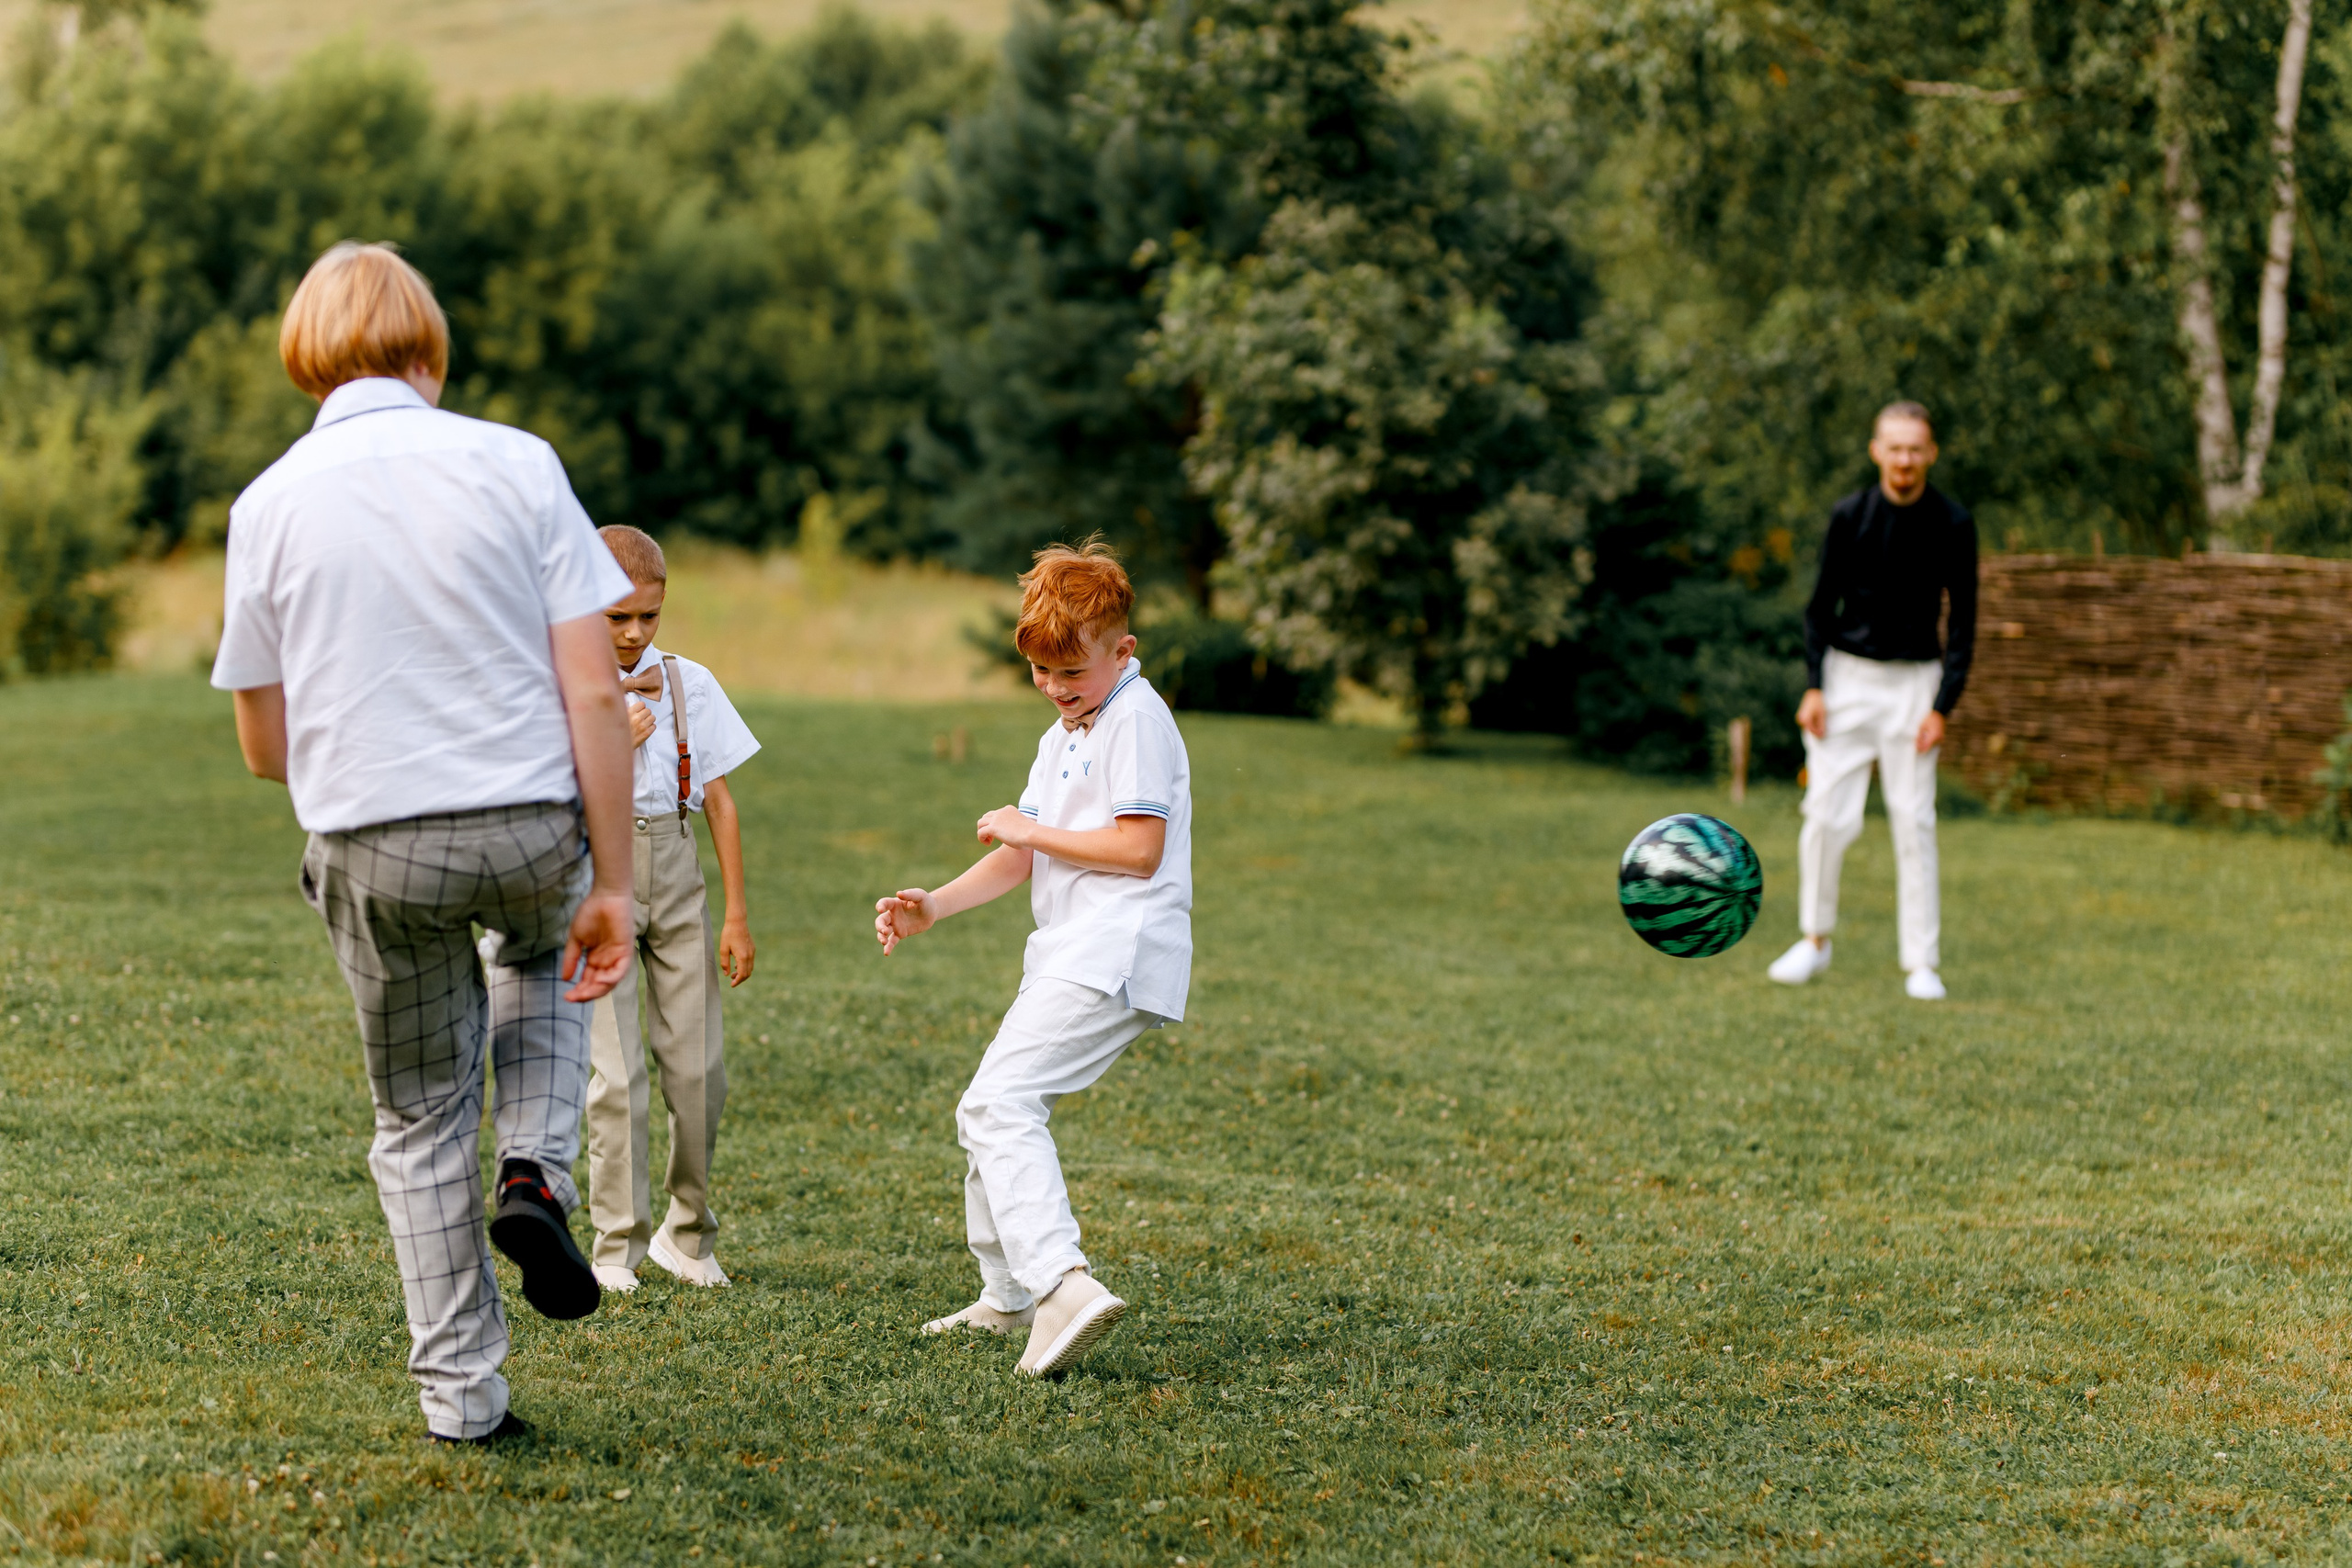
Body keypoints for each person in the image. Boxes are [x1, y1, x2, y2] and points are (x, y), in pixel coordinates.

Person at [212, 241, 638, 1445]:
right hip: (528, 818)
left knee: (416, 1115)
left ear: (308, 359)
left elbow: (261, 743)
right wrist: (613, 877)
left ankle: (464, 1400)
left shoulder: (268, 503)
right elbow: (597, 692)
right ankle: (535, 1174)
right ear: (428, 350)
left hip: (368, 839)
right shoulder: (517, 462)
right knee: (548, 959)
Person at [872, 539, 1192, 1378]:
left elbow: (1139, 848)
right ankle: (1008, 1295)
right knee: (990, 1104)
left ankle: (1063, 1287)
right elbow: (1021, 859)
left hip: (1119, 949)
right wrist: (933, 904)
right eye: (1042, 674)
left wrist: (1028, 827)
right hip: (1072, 950)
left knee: (999, 1104)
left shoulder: (1137, 718)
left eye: (1072, 674)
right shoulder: (1065, 732)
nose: (1055, 690)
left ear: (1123, 650)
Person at [582, 525, 760, 1293]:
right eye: (616, 616)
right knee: (618, 1077)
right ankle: (616, 1245)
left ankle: (687, 1234)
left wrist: (736, 914)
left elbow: (718, 800)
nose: (633, 633)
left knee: (700, 1070)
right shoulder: (559, 688)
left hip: (679, 874)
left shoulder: (689, 683)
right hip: (600, 879)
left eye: (648, 617)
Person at [1768, 400, 1978, 1000]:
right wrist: (1814, 684)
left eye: (1916, 448)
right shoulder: (1849, 516)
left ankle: (1921, 961)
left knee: (1914, 822)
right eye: (1895, 447)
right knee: (1825, 818)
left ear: (1930, 453)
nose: (1905, 459)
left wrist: (1943, 705)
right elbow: (1818, 609)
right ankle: (1813, 940)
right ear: (1876, 450)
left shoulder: (1954, 524)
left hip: (1915, 685)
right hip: (1848, 682)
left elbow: (1963, 623)